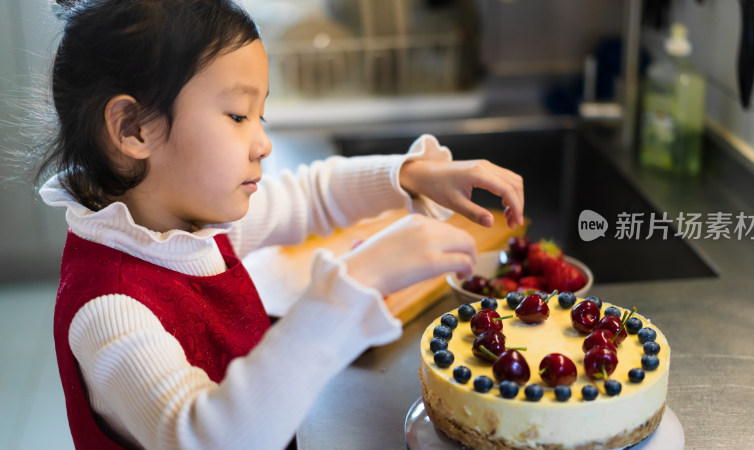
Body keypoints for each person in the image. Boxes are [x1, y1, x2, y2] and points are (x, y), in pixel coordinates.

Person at [36, 0, 524, 448]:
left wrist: (410, 174)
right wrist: (355, 282)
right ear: (133, 128)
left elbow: (309, 195)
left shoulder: (188, 225)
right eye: (237, 115)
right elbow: (210, 438)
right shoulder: (110, 310)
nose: (263, 142)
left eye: (259, 116)